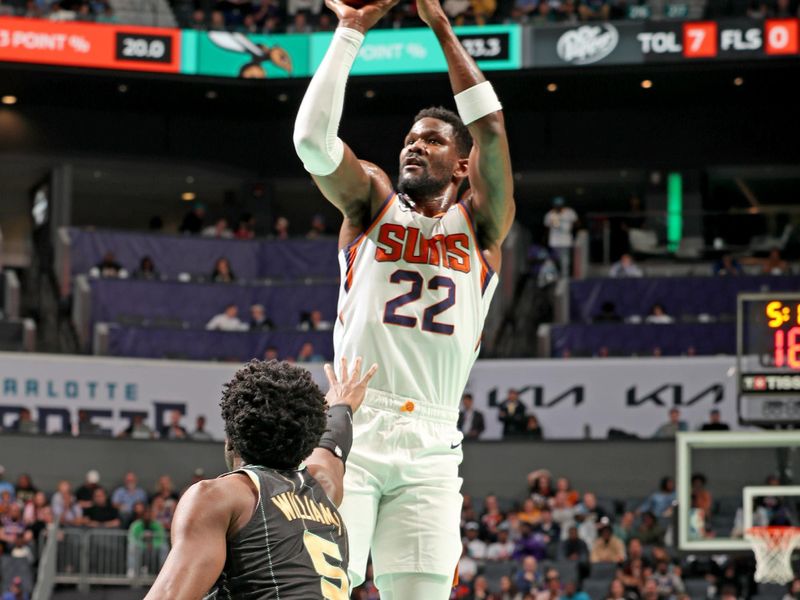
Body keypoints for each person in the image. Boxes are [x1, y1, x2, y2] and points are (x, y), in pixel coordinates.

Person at [292, 0, 514, 592]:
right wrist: (349, 33)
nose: (414, 146)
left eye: (434, 140)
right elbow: (313, 141)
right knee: (321, 589)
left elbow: (490, 126)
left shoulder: (484, 229)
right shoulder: (371, 202)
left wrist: (441, 26)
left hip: (435, 446)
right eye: (411, 139)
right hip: (353, 428)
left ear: (462, 166)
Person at [145, 357, 377, 599]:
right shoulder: (323, 486)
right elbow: (332, 444)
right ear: (307, 438)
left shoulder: (220, 497)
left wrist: (340, 406)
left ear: (231, 437)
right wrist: (341, 403)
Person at [543, 196, 578, 278]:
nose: (558, 207)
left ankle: (565, 277)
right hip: (554, 242)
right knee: (556, 259)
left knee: (566, 260)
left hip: (566, 241)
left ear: (563, 205)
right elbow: (546, 228)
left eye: (560, 205)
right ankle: (556, 276)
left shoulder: (569, 212)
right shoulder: (550, 214)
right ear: (554, 205)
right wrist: (545, 239)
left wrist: (571, 227)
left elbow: (577, 223)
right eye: (556, 205)